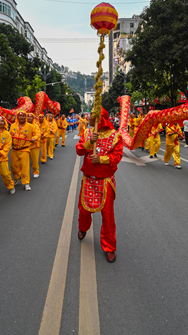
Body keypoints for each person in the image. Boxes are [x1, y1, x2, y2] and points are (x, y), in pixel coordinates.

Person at [76, 107, 124, 263]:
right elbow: (79, 150)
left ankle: (109, 247)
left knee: (108, 216)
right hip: (88, 180)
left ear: (100, 119)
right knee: (83, 210)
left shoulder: (115, 136)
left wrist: (102, 159)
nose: (89, 119)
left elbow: (117, 156)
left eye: (92, 117)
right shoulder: (88, 133)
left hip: (105, 181)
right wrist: (90, 142)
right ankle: (83, 228)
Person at [9, 111, 39, 191]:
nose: (22, 117)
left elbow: (37, 134)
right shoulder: (12, 126)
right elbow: (9, 136)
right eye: (20, 116)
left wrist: (34, 138)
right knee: (13, 166)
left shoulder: (30, 126)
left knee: (24, 167)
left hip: (24, 149)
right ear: (17, 117)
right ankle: (17, 177)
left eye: (23, 116)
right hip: (14, 149)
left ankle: (26, 183)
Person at [26, 113, 41, 178]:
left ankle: (36, 172)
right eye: (28, 117)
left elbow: (38, 134)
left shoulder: (36, 126)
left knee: (34, 161)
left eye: (31, 117)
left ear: (33, 118)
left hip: (33, 146)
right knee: (23, 162)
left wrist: (34, 138)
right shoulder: (24, 125)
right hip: (24, 146)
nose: (29, 118)